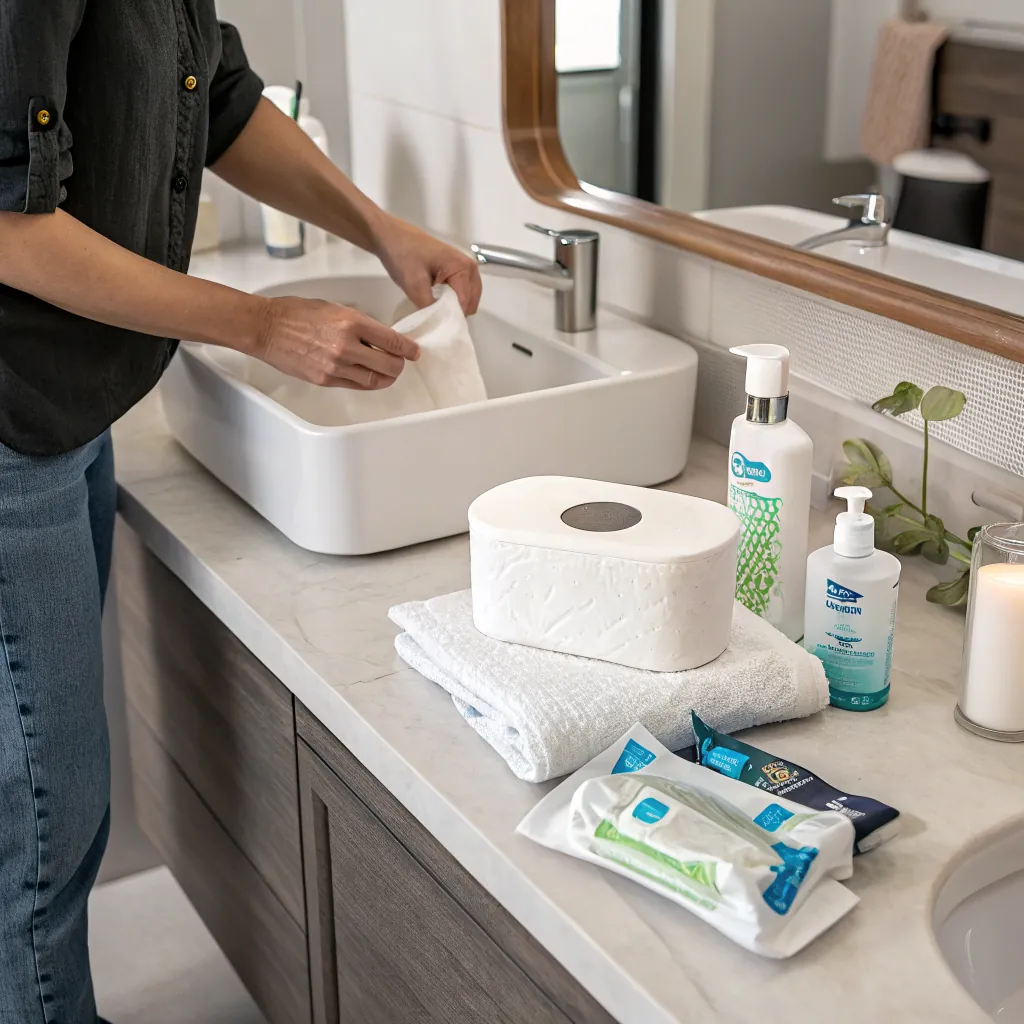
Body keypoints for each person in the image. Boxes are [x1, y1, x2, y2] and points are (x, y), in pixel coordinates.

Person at [0, 7, 482, 1022]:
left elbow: (213, 97)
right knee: (38, 837)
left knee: (41, 811)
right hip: (11, 418)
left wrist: (382, 230)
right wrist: (259, 321)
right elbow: (7, 221)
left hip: (64, 404)